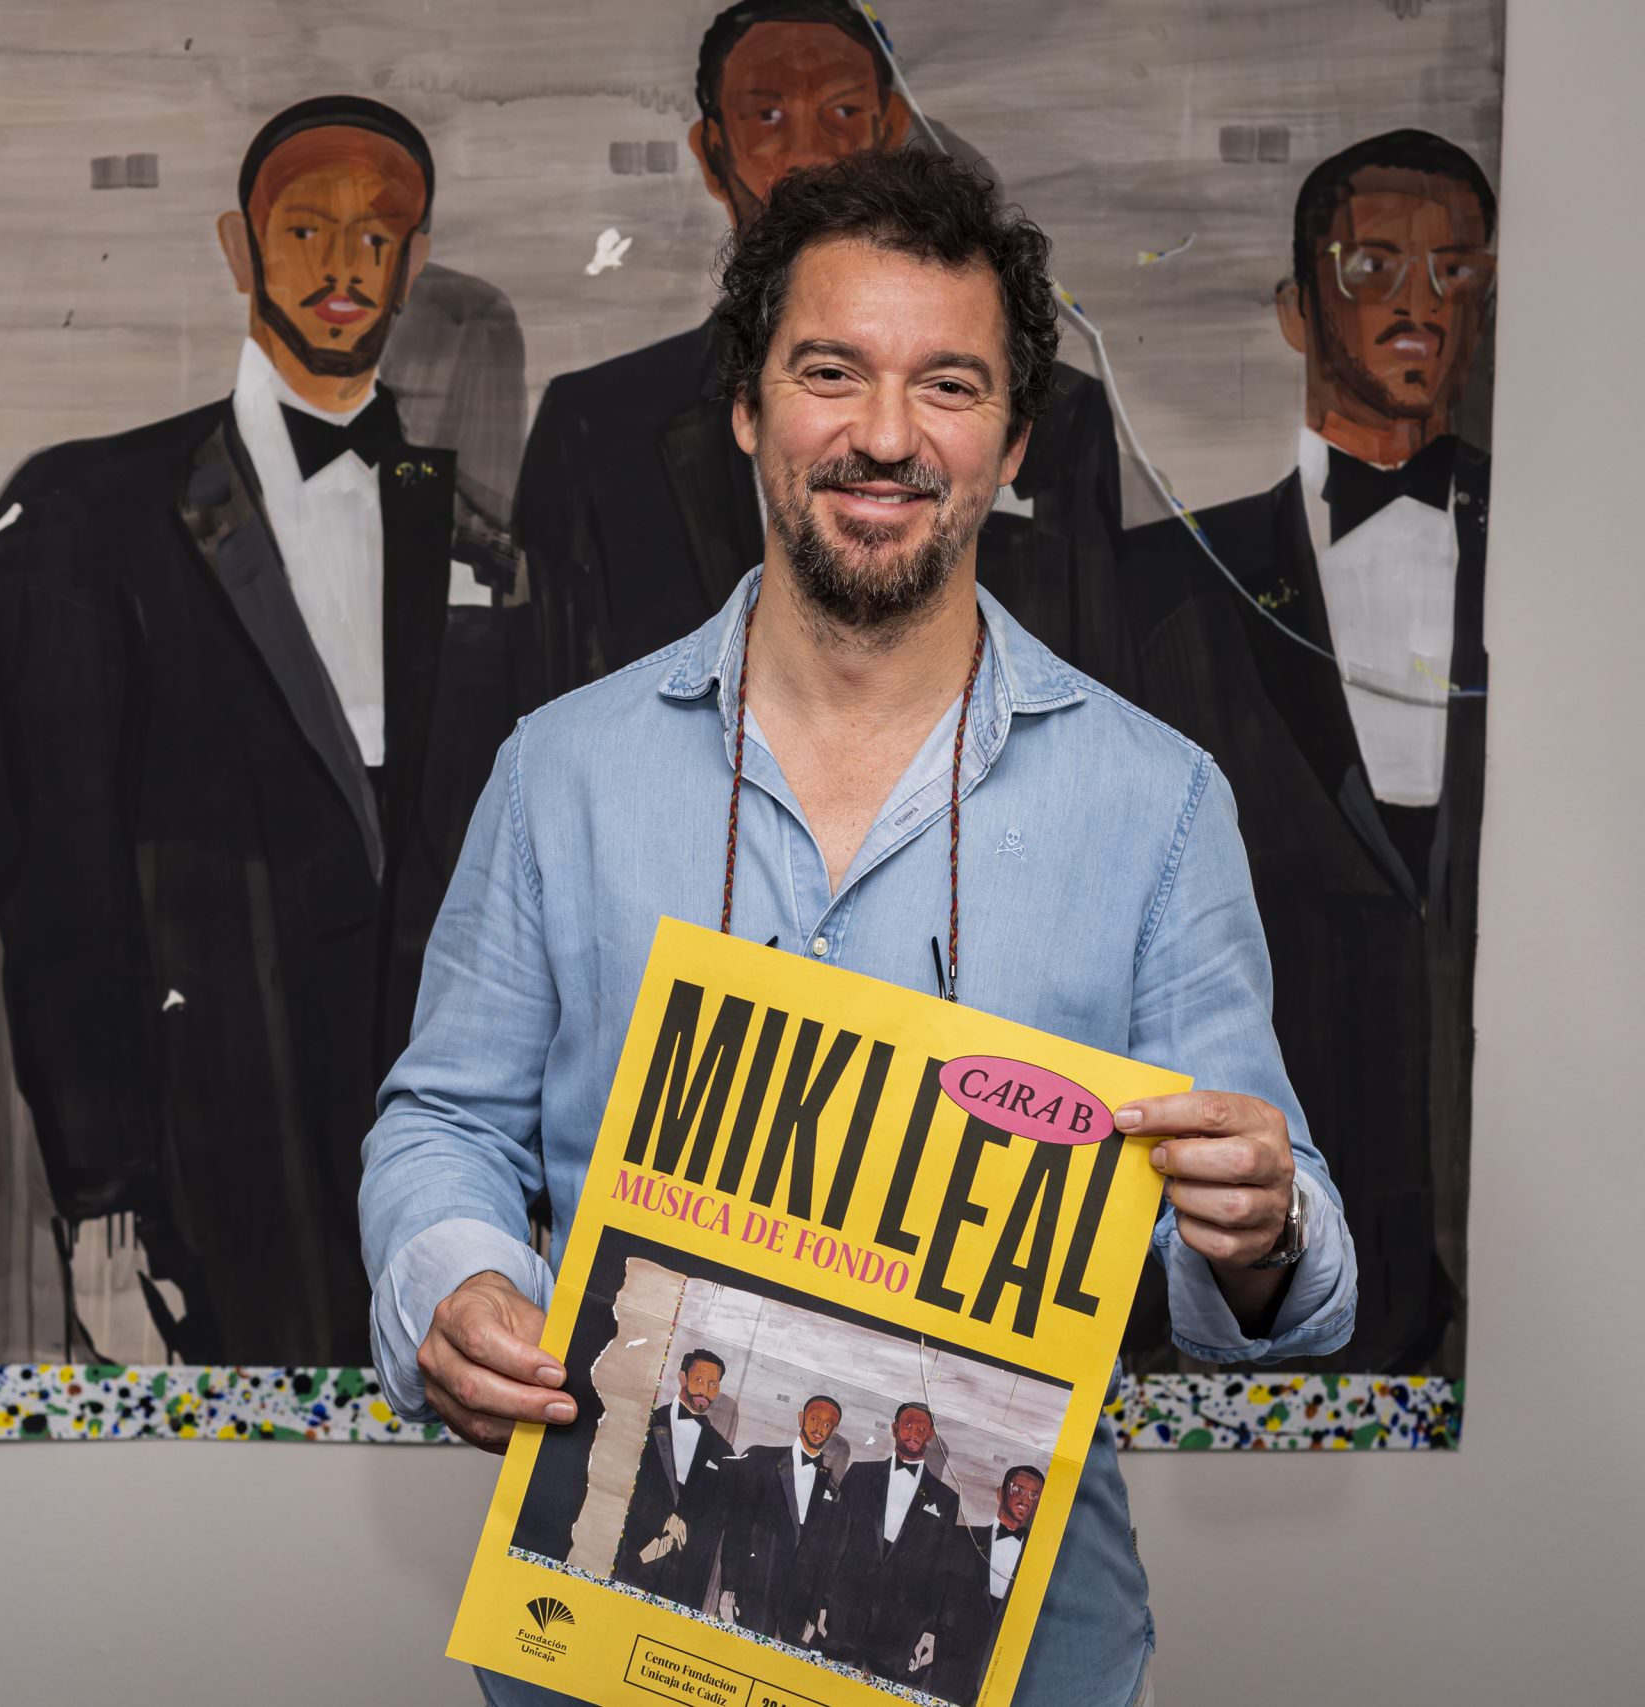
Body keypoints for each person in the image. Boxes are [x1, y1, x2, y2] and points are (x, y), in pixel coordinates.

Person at [358, 147, 1355, 1707]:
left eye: (948, 384)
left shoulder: (1158, 804)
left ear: (1011, 441)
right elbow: (445, 1122)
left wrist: (1259, 1230)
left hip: (1021, 1657)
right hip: (610, 1650)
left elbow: (1276, 1239)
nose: (886, 435)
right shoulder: (561, 771)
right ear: (748, 407)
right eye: (832, 371)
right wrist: (459, 1279)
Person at [0, 97, 514, 1364]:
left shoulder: (483, 538)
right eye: (305, 228)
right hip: (199, 1145)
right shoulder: (89, 511)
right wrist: (100, 1201)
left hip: (441, 1174)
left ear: (413, 261)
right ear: (239, 247)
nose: (343, 265)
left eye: (376, 236)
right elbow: (59, 877)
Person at [1119, 129, 1495, 1377]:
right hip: (1243, 1266)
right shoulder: (1163, 584)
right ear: (1295, 309)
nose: (1416, 304)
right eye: (1372, 266)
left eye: (1453, 272)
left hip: (1537, 1244)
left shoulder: (1585, 567)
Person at [513, 0, 1124, 700]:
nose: (806, 156)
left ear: (889, 128)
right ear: (712, 152)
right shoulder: (591, 424)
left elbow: (1096, 688)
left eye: (840, 111)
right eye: (767, 116)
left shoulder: (1067, 417)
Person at [820, 1402, 960, 1682]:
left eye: (921, 1428)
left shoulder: (946, 1499)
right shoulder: (860, 1475)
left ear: (930, 1435)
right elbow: (834, 1543)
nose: (914, 1432)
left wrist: (929, 1631)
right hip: (843, 1614)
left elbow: (940, 1572)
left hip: (898, 1629)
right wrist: (820, 1601)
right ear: (895, 1429)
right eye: (907, 1425)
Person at [717, 1393, 850, 1645]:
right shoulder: (760, 1459)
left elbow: (825, 1556)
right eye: (814, 1419)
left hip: (797, 1602)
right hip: (754, 1586)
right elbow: (738, 1527)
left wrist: (813, 1611)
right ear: (801, 1418)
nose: (819, 1428)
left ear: (833, 1431)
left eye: (827, 1424)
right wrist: (729, 1587)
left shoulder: (832, 1489)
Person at [612, 1350, 739, 1605]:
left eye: (713, 1384)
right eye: (699, 1380)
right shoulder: (645, 1424)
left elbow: (719, 1515)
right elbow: (622, 1484)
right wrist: (663, 1518)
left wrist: (685, 1527)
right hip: (633, 1554)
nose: (705, 1390)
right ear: (682, 1378)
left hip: (681, 1575)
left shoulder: (724, 1452)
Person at [927, 1465, 1046, 1705]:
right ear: (1001, 1493)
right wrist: (928, 1635)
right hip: (950, 1667)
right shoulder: (962, 1539)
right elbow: (936, 1593)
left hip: (1002, 1680)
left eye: (1034, 1495)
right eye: (1018, 1489)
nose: (1025, 1500)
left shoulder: (1041, 1560)